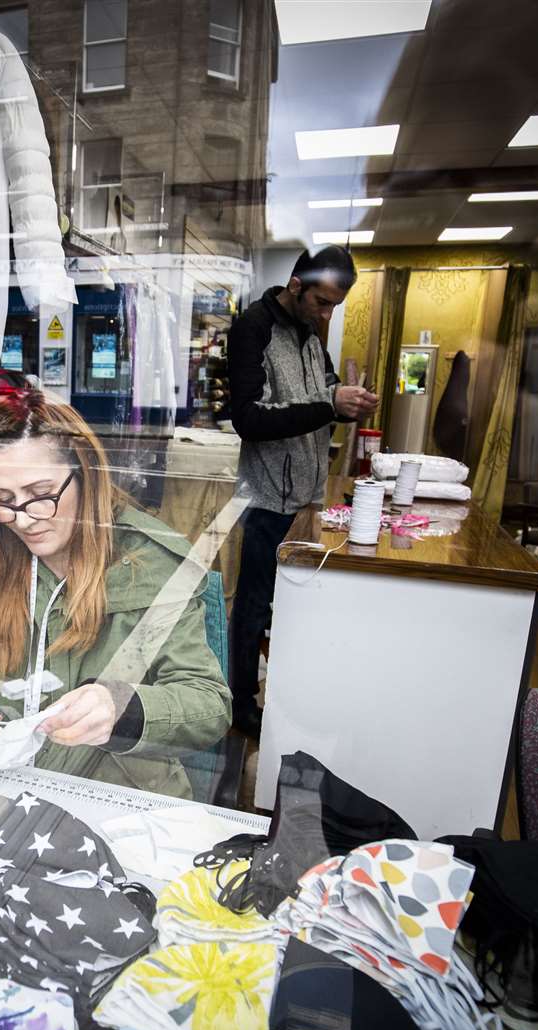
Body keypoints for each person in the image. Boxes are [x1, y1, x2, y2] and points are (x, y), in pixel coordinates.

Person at [0, 391, 230, 800]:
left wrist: (122, 706)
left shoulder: (154, 564)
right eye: (3, 500)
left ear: (84, 475)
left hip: (115, 796)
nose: (23, 518)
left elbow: (209, 704)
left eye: (41, 493)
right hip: (0, 790)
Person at [225, 246, 380, 758]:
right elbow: (248, 419)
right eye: (321, 301)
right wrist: (326, 406)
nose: (326, 314)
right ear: (295, 284)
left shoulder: (311, 334)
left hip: (307, 495)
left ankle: (289, 698)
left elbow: (324, 390)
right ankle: (241, 703)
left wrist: (346, 401)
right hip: (266, 495)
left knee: (289, 605)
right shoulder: (253, 328)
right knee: (252, 606)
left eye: (335, 305)